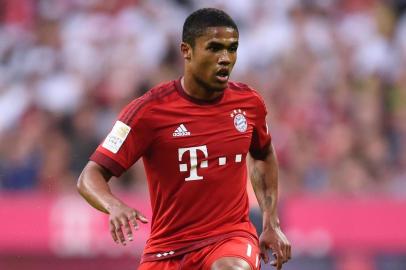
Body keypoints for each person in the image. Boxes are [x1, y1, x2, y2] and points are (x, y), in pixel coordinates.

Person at [77, 7, 291, 270]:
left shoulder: (249, 104)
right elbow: (89, 176)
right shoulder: (148, 111)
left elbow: (263, 154)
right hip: (167, 251)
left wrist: (271, 223)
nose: (225, 58)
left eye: (232, 48)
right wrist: (114, 206)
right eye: (214, 48)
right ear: (186, 51)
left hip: (230, 237)